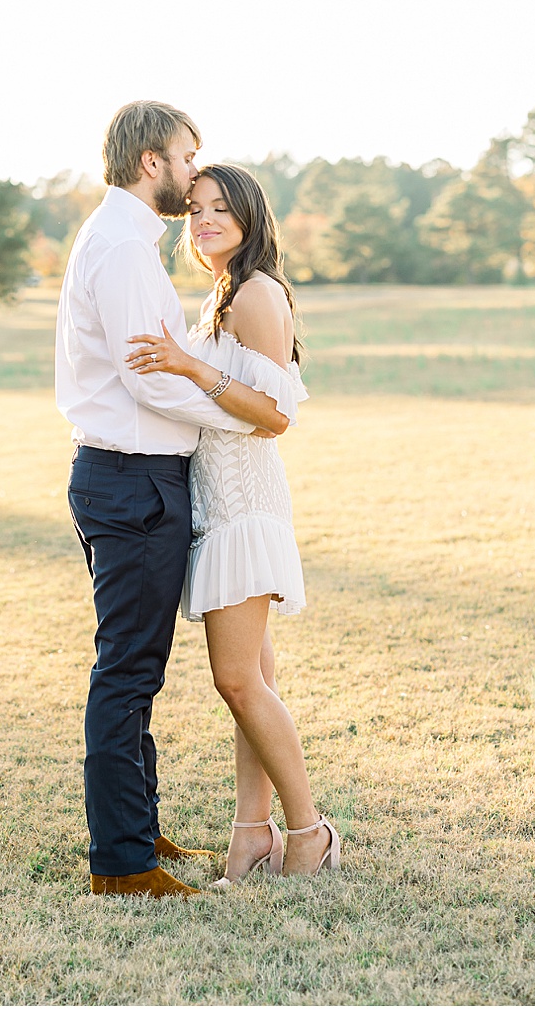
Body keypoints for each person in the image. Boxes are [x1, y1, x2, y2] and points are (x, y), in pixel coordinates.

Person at [56, 103, 292, 899]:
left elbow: (173, 363)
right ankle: (123, 861)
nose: (197, 172)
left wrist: (215, 388)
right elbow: (149, 376)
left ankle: (137, 826)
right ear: (153, 161)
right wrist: (233, 407)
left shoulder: (126, 242)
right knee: (127, 670)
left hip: (138, 479)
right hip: (133, 480)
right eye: (191, 158)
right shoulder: (124, 248)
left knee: (136, 667)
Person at [126, 162, 341, 884]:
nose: (205, 219)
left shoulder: (255, 292)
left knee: (236, 680)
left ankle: (310, 831)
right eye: (195, 209)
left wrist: (189, 367)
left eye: (220, 207)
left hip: (246, 505)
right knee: (253, 678)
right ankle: (252, 833)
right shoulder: (225, 293)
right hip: (218, 504)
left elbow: (275, 416)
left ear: (250, 217)